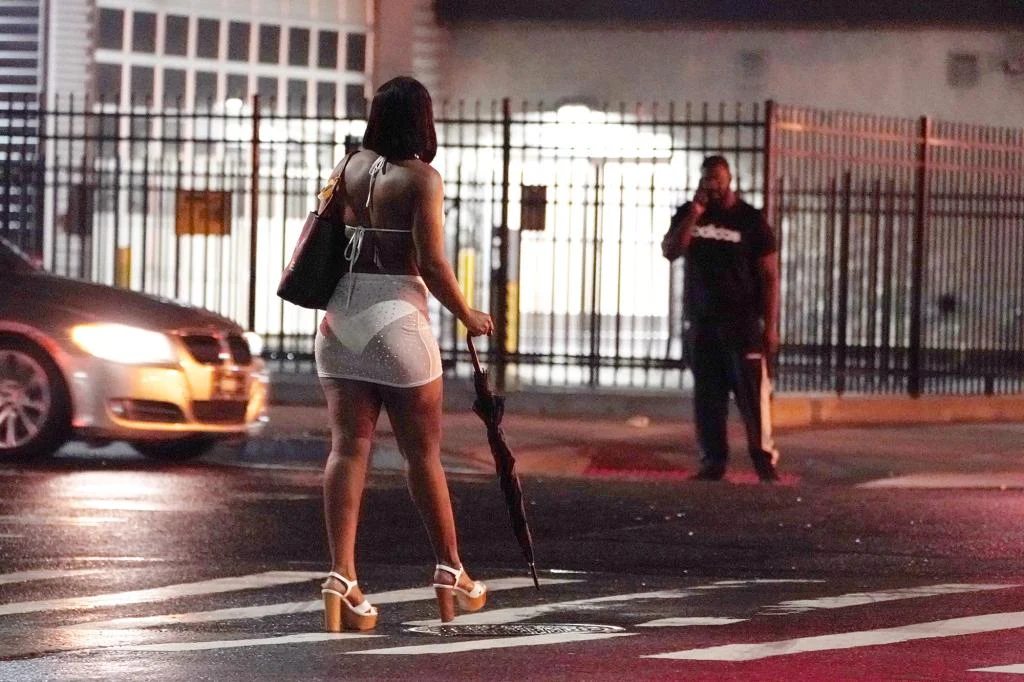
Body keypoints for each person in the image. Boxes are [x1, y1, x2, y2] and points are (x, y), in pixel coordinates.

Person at [313, 76, 492, 631]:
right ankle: (450, 570)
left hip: (340, 318)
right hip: (398, 317)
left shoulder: (348, 168)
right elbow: (433, 264)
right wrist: (469, 315)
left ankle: (342, 577)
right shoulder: (422, 178)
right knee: (423, 457)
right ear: (423, 118)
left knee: (347, 451)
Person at [661, 155, 781, 483]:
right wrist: (695, 214)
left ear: (730, 179)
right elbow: (671, 251)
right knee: (708, 398)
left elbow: (770, 275)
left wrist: (770, 327)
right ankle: (713, 462)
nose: (712, 184)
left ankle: (763, 461)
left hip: (742, 326)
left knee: (752, 397)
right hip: (703, 324)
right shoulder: (689, 213)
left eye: (717, 178)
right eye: (707, 178)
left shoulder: (750, 220)